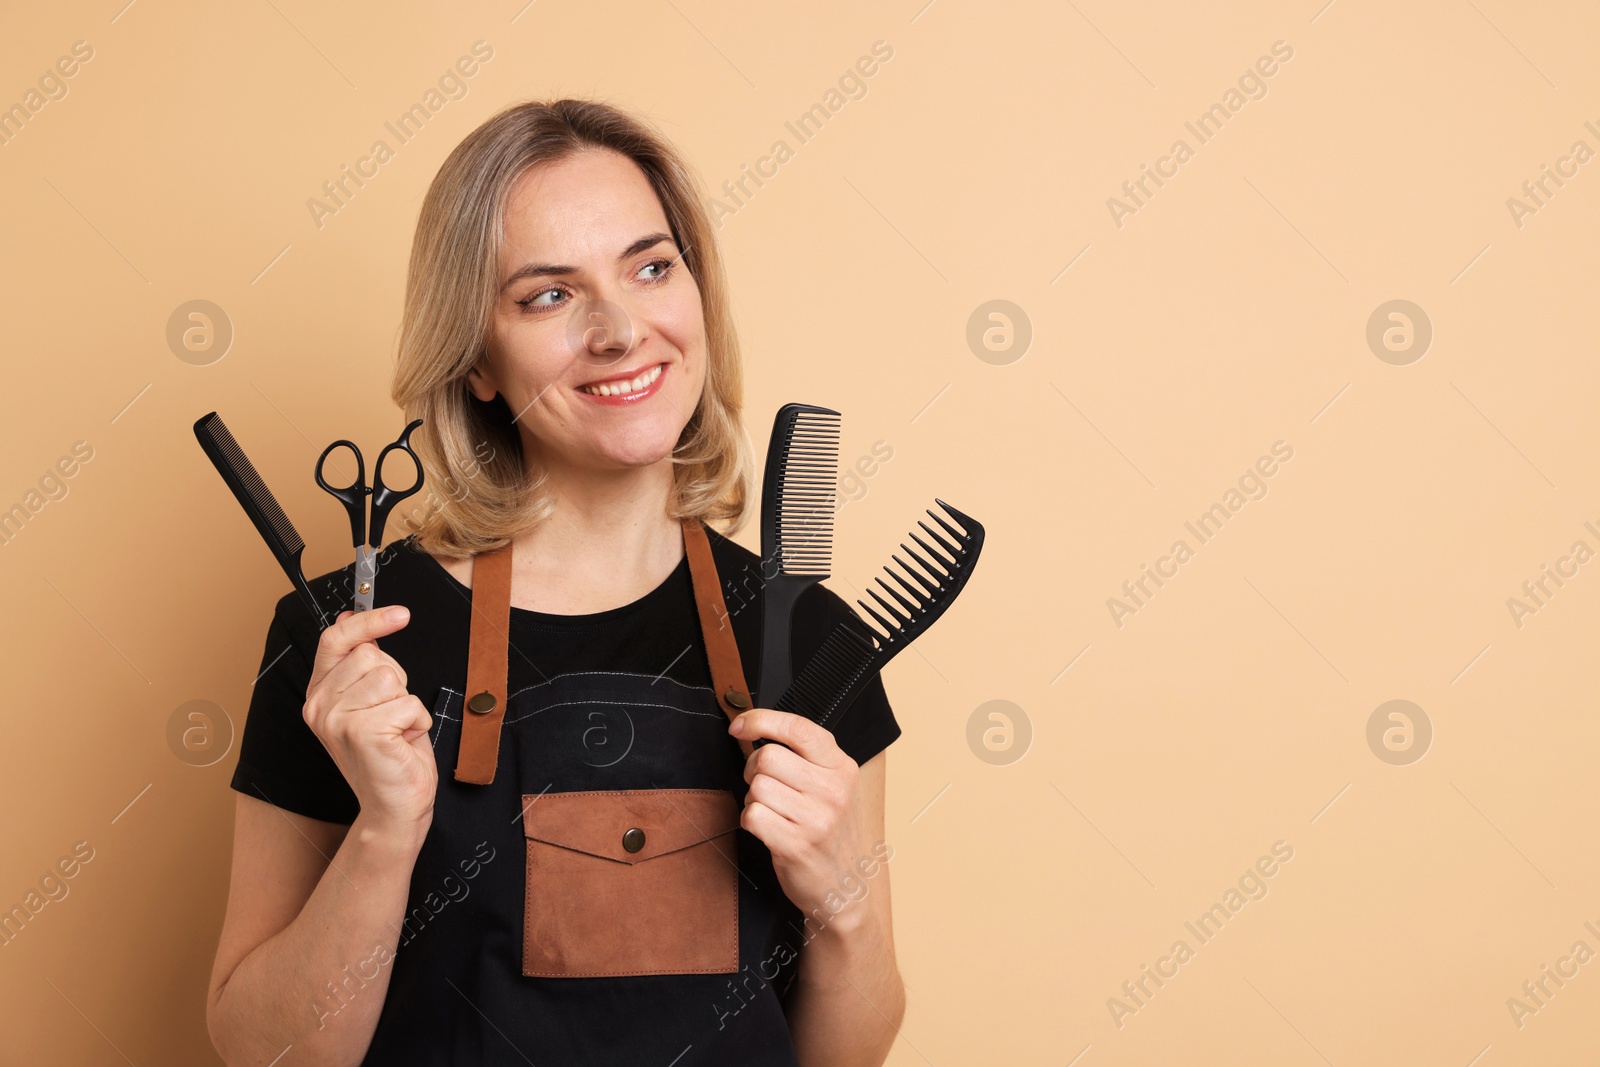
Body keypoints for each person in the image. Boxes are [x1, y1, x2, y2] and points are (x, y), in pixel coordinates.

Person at [205, 98, 906, 1066]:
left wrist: (843, 899)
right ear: (477, 362)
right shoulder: (350, 641)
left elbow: (847, 1057)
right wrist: (385, 831)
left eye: (651, 266)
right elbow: (260, 1052)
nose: (621, 329)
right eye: (547, 294)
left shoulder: (806, 632)